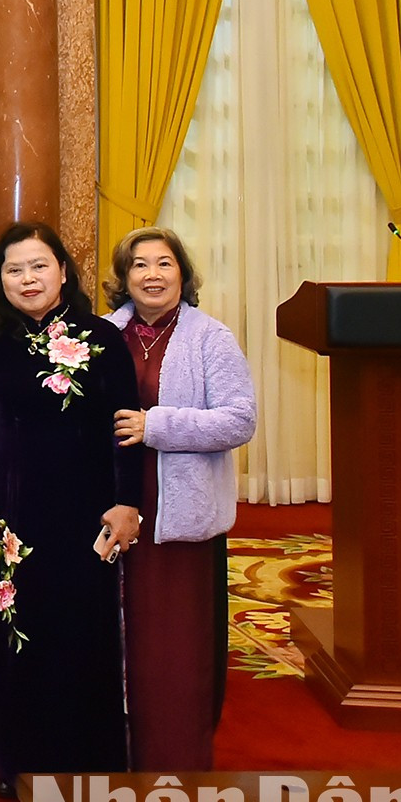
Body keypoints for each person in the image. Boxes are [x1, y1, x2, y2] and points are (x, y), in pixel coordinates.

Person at [0, 221, 142, 797]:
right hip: (13, 517)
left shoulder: (102, 338)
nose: (28, 278)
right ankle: (19, 761)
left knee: (81, 633)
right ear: (1, 280)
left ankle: (85, 761)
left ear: (63, 271)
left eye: (39, 265)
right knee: (18, 634)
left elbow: (125, 429)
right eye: (15, 269)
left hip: (84, 512)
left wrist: (127, 502)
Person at [105, 227, 255, 771]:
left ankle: (176, 761)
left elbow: (240, 419)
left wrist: (157, 426)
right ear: (123, 279)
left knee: (173, 646)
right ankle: (114, 752)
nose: (152, 275)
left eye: (164, 264)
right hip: (112, 507)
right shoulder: (102, 334)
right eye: (139, 265)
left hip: (181, 517)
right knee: (117, 639)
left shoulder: (211, 337)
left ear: (183, 275)